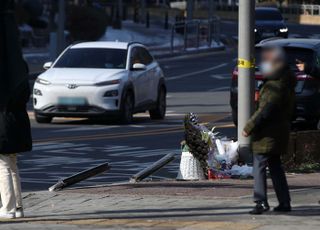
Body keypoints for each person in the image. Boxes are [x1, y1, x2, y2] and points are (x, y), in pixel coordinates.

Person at [242, 46, 296, 215]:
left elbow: (265, 110)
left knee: (258, 166)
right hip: (276, 132)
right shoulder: (282, 80)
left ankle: (260, 201)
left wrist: (249, 127)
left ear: (277, 63)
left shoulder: (276, 84)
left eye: (268, 61)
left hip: (268, 134)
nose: (264, 64)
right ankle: (284, 202)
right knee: (275, 166)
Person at [0, 0, 32, 219]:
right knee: (12, 165)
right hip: (17, 124)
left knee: (2, 166)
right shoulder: (19, 75)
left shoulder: (4, 84)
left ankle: (8, 208)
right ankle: (18, 207)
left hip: (4, 126)